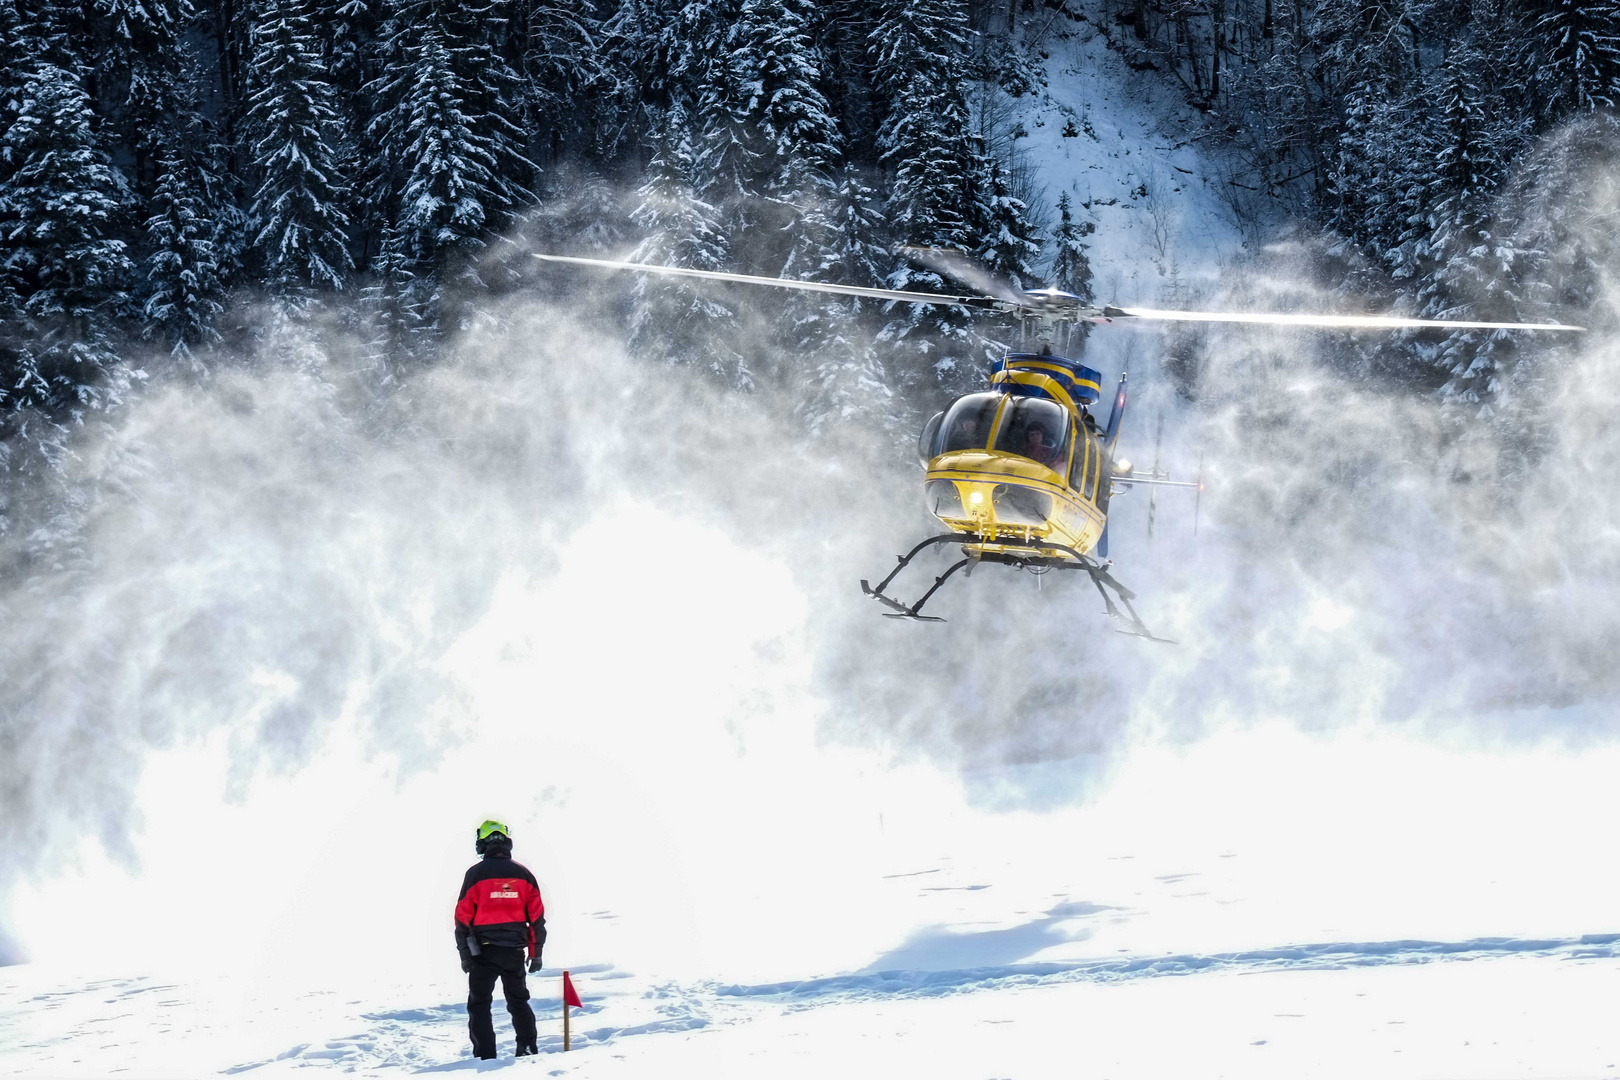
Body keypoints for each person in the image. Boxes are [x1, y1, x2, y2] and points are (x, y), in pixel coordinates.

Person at [454, 820, 546, 1059]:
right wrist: (536, 954)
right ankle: (527, 1049)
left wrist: (465, 955)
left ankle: (485, 1057)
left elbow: (462, 919)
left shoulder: (475, 875)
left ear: (481, 843)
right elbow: (536, 919)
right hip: (514, 952)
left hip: (482, 953)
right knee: (518, 1002)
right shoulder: (524, 874)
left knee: (479, 1005)